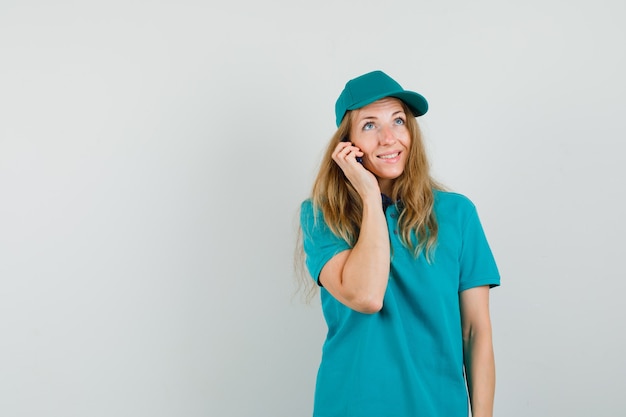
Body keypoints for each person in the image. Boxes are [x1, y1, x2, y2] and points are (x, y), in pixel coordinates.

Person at [297, 70, 501, 417]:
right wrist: (369, 196)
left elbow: (474, 332)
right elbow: (366, 296)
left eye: (398, 121)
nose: (389, 138)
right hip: (351, 406)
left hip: (438, 407)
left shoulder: (457, 214)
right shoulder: (322, 216)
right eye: (369, 126)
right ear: (346, 145)